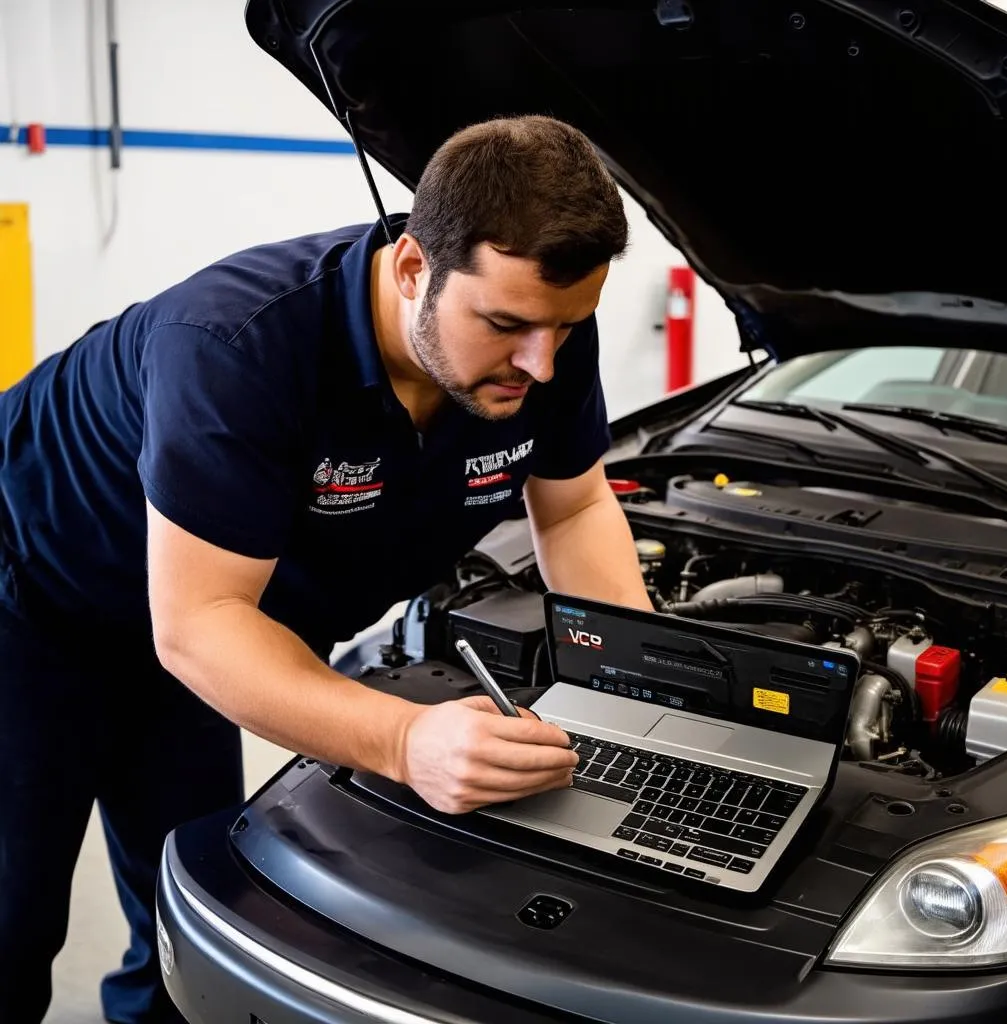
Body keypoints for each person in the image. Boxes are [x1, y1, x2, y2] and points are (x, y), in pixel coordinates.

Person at [0, 114, 653, 1023]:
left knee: (186, 900)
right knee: (12, 920)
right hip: (35, 600)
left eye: (566, 327)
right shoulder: (236, 347)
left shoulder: (540, 346)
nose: (539, 363)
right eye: (506, 324)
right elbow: (196, 627)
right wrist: (403, 741)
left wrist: (632, 685)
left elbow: (576, 505)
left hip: (221, 617)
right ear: (415, 267)